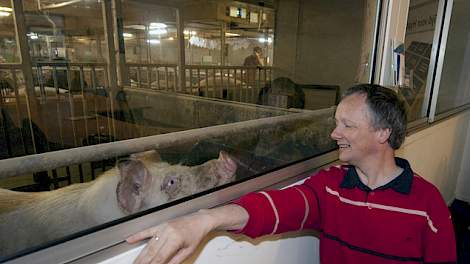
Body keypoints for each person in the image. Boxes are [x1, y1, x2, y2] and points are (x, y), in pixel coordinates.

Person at [127, 84, 456, 264]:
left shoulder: (426, 204)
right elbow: (274, 208)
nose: (334, 134)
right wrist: (204, 220)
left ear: (383, 133)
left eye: (347, 125)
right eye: (336, 122)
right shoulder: (330, 188)